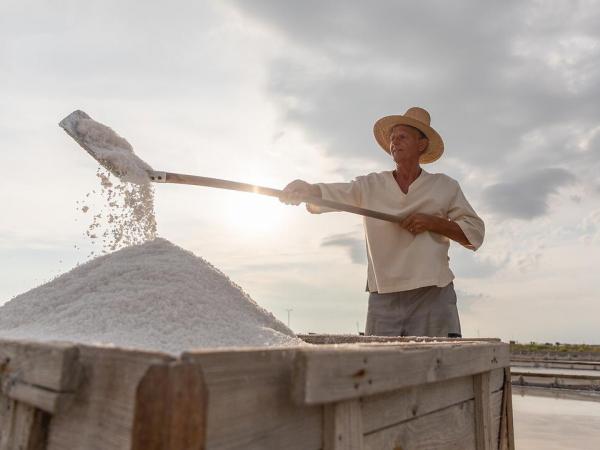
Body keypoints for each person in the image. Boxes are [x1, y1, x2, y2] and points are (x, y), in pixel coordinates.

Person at [280, 107, 484, 338]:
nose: (394, 143)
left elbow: (475, 233)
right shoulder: (371, 185)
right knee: (381, 369)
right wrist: (308, 189)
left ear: (422, 144)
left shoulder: (445, 186)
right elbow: (335, 194)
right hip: (383, 295)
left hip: (433, 294)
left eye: (402, 137)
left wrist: (432, 223)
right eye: (392, 138)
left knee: (441, 365)